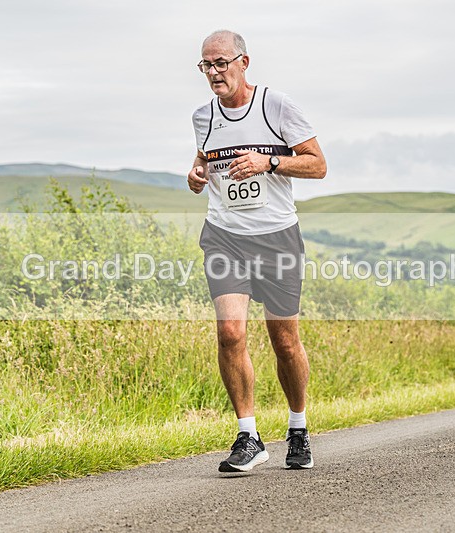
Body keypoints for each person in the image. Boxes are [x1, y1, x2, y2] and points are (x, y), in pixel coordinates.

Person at [187, 30, 327, 473]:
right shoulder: (202, 116)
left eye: (221, 63)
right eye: (206, 65)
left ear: (244, 62)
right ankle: (249, 436)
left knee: (284, 341)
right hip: (225, 235)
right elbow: (205, 162)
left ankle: (298, 429)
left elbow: (318, 165)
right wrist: (195, 175)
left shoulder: (277, 106)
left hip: (277, 237)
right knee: (230, 332)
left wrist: (269, 161)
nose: (213, 73)